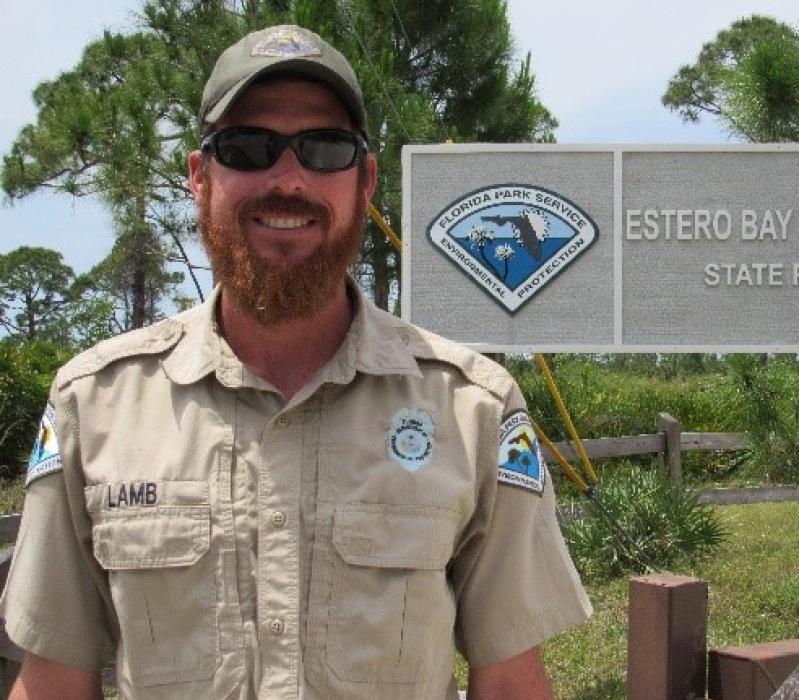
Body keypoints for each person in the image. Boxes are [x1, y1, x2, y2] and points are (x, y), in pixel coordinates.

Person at [0, 24, 591, 700]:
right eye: (248, 148)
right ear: (199, 176)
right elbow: (51, 686)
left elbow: (512, 685)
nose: (289, 179)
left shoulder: (472, 411)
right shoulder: (94, 406)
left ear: (364, 180)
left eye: (324, 148)